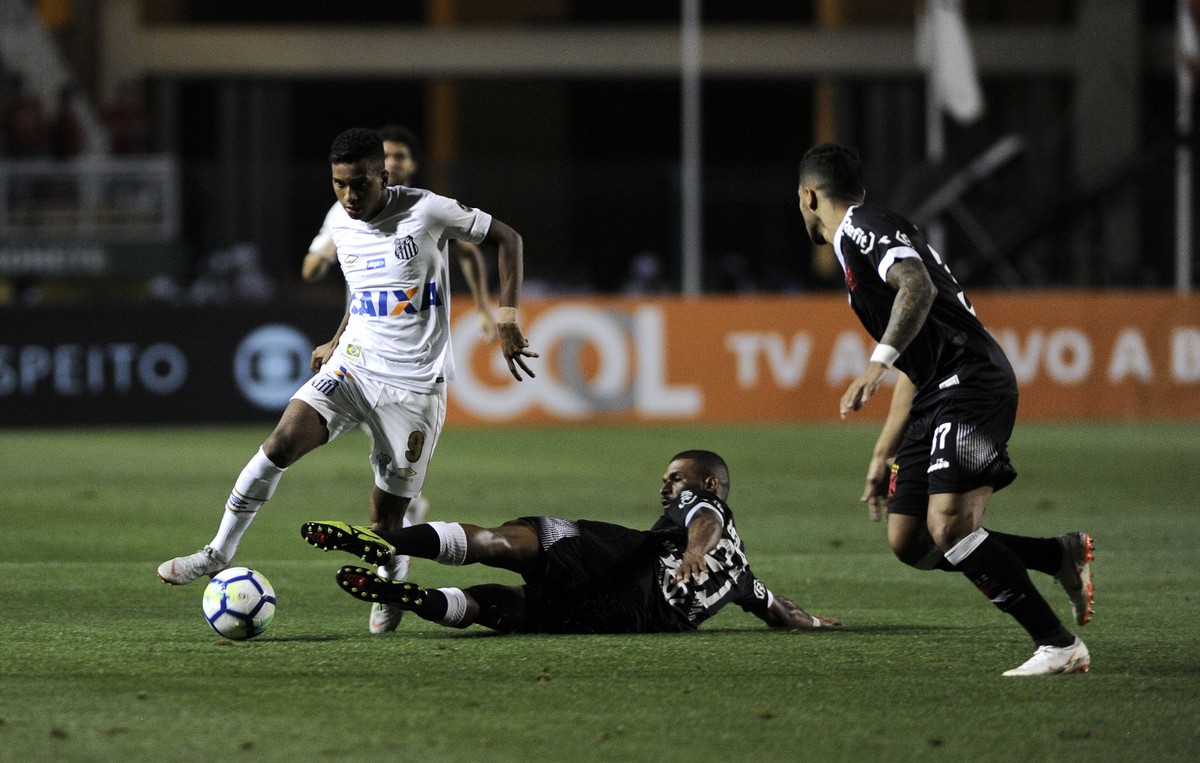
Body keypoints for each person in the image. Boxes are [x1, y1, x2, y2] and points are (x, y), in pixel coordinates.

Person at [159, 128, 540, 637]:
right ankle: (217, 551)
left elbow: (508, 238)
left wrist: (508, 315)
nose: (349, 196)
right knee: (280, 442)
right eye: (339, 185)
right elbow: (363, 292)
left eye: (360, 184)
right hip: (354, 366)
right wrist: (337, 337)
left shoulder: (427, 210)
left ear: (383, 176)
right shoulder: (341, 220)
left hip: (414, 387)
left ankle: (390, 581)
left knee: (387, 520)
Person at [796, 143, 1093, 676]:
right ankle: (1056, 555)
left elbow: (917, 285)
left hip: (973, 386)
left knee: (950, 525)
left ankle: (1059, 645)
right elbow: (919, 358)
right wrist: (883, 450)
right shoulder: (858, 241)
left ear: (808, 196)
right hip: (937, 391)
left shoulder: (863, 227)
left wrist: (874, 364)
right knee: (909, 538)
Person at [299, 450, 841, 634]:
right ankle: (418, 601)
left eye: (674, 478)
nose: (665, 486)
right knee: (510, 608)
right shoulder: (744, 580)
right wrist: (815, 621)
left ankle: (389, 541)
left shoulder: (704, 508)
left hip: (619, 560)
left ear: (709, 483)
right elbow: (781, 613)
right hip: (627, 620)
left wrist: (696, 550)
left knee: (503, 542)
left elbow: (707, 522)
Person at [302, 124, 499, 345]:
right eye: (386, 155)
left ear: (413, 164)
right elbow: (310, 272)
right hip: (366, 330)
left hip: (415, 333)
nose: (393, 162)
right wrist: (326, 253)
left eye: (400, 156)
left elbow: (467, 251)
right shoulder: (344, 211)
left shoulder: (424, 211)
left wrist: (482, 307)